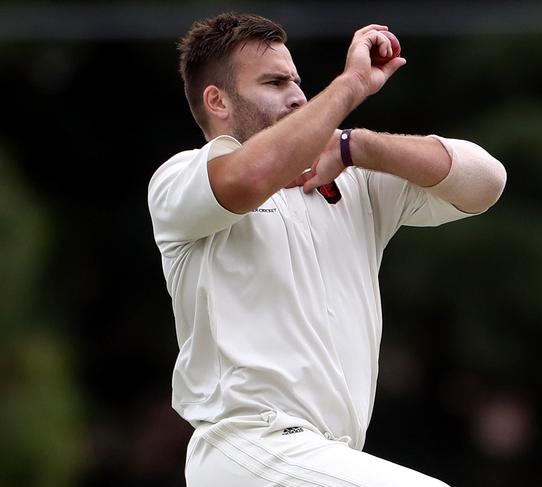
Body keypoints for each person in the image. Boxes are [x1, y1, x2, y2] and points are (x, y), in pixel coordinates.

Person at [148, 12, 506, 487]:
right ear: (217, 100)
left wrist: (357, 146)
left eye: (297, 80)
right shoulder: (180, 180)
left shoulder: (352, 180)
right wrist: (352, 85)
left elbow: (485, 182)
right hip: (249, 448)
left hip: (324, 457)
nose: (297, 94)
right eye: (275, 82)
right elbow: (251, 176)